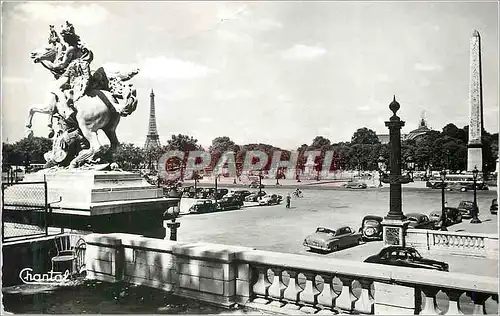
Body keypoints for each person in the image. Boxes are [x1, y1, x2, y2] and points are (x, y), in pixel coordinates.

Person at [36, 21, 93, 120]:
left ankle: (67, 110)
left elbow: (61, 65)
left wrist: (43, 60)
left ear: (66, 38)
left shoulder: (70, 49)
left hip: (72, 72)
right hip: (81, 71)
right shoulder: (80, 46)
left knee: (55, 87)